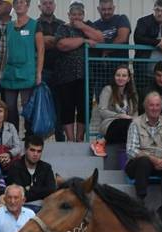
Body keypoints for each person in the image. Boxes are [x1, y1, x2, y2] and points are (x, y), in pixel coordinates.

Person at [54, 2, 104, 142]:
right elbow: (62, 44)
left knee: (84, 108)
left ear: (83, 15)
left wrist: (83, 27)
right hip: (65, 76)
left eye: (79, 14)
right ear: (68, 15)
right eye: (73, 14)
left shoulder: (89, 26)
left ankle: (80, 138)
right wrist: (83, 40)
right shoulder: (62, 28)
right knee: (67, 107)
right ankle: (70, 140)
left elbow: (100, 38)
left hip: (86, 76)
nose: (76, 17)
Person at [0, 0, 44, 134]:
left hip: (27, 72)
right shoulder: (9, 26)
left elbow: (41, 50)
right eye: (16, 2)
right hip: (10, 72)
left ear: (28, 5)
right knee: (10, 107)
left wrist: (39, 73)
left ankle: (29, 137)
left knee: (27, 107)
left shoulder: (35, 25)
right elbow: (7, 51)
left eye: (22, 2)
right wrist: (2, 70)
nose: (19, 5)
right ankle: (13, 138)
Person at [125, 91, 162, 202]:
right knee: (144, 161)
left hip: (161, 162)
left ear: (161, 107)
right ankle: (140, 200)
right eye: (151, 105)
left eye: (157, 105)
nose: (154, 108)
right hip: (139, 165)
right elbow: (130, 150)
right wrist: (152, 158)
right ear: (145, 107)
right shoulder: (136, 123)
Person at [91, 64, 138, 156]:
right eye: (118, 75)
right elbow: (102, 110)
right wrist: (119, 115)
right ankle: (100, 143)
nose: (121, 78)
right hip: (110, 124)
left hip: (127, 126)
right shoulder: (108, 89)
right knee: (122, 122)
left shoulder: (133, 94)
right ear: (114, 77)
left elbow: (135, 114)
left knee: (133, 125)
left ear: (128, 79)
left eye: (124, 76)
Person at [37, 0, 66, 140]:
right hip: (40, 72)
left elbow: (63, 44)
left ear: (54, 6)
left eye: (50, 3)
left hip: (60, 72)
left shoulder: (62, 24)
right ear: (39, 6)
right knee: (39, 105)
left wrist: (45, 41)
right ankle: (35, 139)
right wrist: (56, 41)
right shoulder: (34, 24)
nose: (47, 5)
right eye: (44, 3)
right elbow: (36, 43)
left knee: (59, 106)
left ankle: (60, 137)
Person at [6, 135, 58, 203]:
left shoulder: (46, 168)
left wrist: (29, 189)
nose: (35, 154)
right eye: (32, 150)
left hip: (42, 208)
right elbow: (18, 194)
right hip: (21, 207)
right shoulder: (15, 167)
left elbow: (51, 190)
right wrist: (41, 191)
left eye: (39, 151)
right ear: (25, 150)